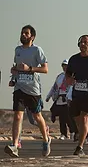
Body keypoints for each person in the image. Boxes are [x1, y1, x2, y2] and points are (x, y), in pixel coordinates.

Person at [5, 25, 51, 158]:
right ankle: (14, 145)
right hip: (19, 87)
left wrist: (29, 68)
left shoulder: (37, 50)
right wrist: (13, 76)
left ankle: (46, 139)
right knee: (17, 116)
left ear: (32, 37)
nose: (23, 35)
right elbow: (17, 66)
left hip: (33, 89)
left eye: (26, 33)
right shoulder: (17, 50)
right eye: (22, 33)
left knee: (37, 117)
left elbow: (45, 69)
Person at [45, 60, 72, 141]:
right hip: (60, 99)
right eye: (63, 65)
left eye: (66, 65)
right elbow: (54, 87)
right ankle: (63, 133)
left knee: (69, 117)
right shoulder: (59, 76)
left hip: (68, 99)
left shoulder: (72, 76)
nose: (65, 67)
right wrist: (48, 96)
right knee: (62, 118)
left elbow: (72, 87)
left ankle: (72, 132)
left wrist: (70, 97)